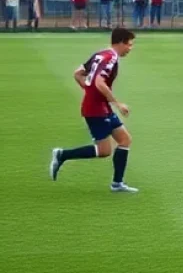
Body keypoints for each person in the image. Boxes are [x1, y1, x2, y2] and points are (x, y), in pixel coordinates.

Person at [49, 27, 138, 193]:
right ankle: (62, 155)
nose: (130, 48)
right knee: (104, 151)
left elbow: (78, 74)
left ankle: (117, 183)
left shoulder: (101, 54)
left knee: (124, 140)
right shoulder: (111, 58)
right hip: (96, 109)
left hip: (100, 106)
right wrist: (117, 103)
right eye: (129, 44)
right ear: (120, 42)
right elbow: (98, 82)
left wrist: (89, 91)